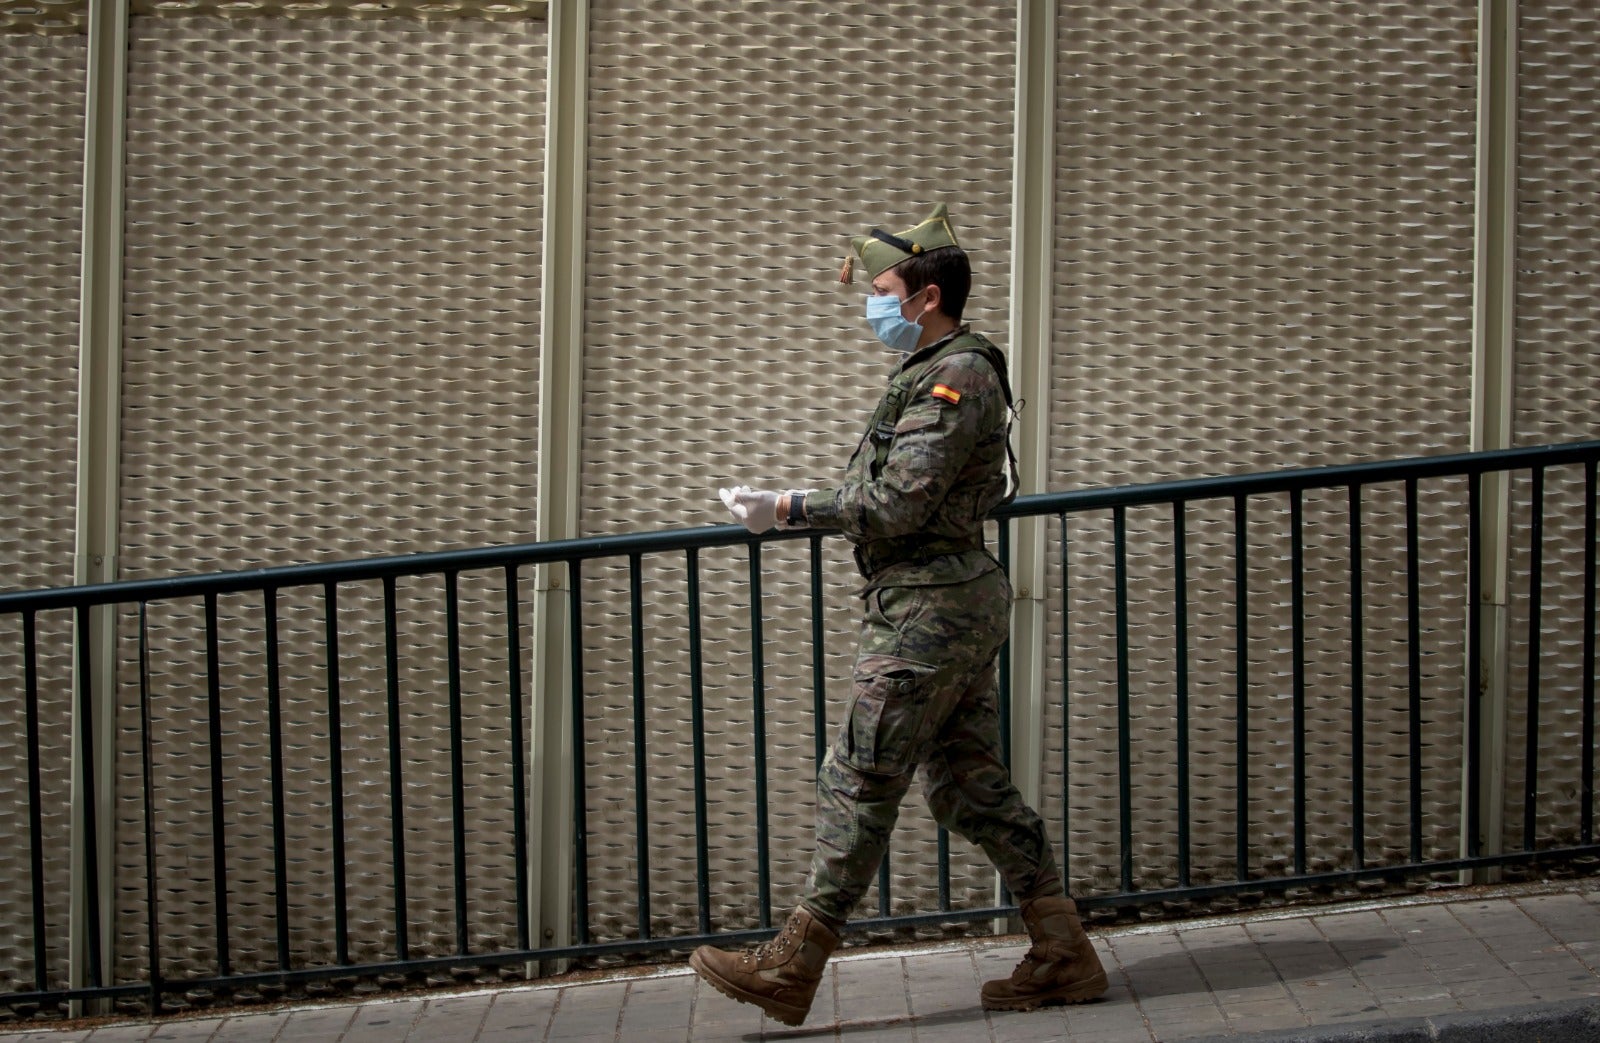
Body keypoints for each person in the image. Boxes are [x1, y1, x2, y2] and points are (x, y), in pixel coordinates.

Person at [692, 204, 1107, 1026]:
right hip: (938, 604)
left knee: (860, 775)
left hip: (930, 611)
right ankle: (1063, 952)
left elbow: (898, 501)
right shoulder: (929, 372)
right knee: (968, 786)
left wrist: (788, 504)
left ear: (924, 295)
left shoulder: (959, 374)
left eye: (882, 289)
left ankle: (793, 964)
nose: (871, 305)